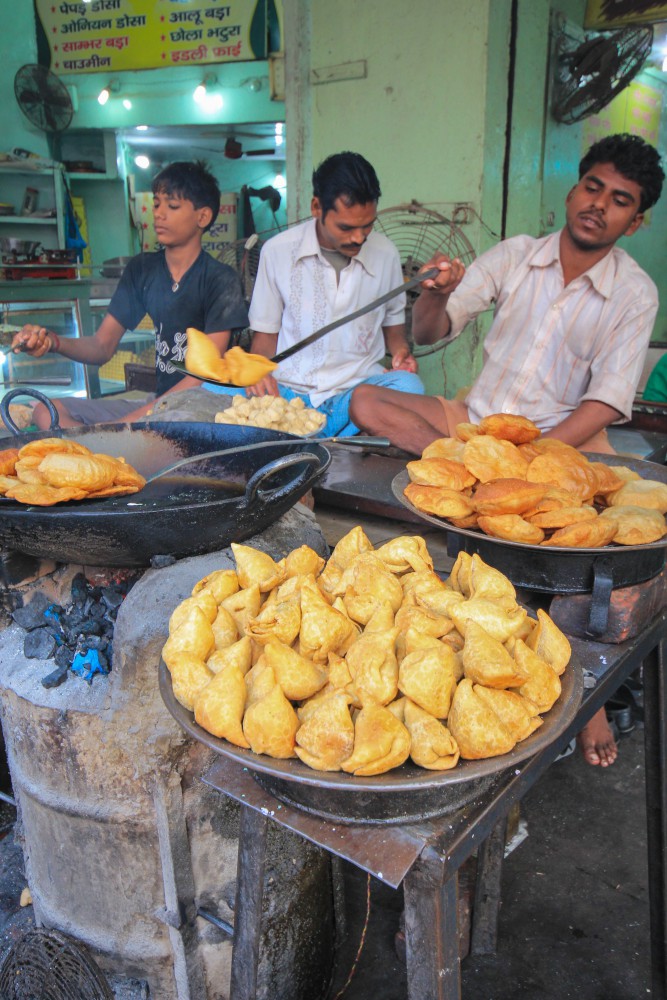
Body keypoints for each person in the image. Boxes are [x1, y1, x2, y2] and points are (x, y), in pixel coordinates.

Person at [350, 132, 665, 767]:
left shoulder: (635, 294)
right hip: (477, 421)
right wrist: (436, 291)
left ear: (637, 220)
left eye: (620, 200)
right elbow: (431, 330)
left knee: (574, 544)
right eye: (593, 187)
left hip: (567, 437)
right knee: (366, 400)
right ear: (574, 190)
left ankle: (587, 695)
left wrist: (533, 461)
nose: (599, 204)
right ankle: (472, 480)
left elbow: (605, 403)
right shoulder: (518, 254)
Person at [11, 160, 249, 428]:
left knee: (152, 431)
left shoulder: (220, 279)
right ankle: (102, 451)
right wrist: (53, 341)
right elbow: (101, 346)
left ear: (202, 217)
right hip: (157, 404)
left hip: (198, 410)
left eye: (172, 206)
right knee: (47, 410)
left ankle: (101, 449)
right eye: (157, 204)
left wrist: (127, 424)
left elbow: (206, 376)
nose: (159, 214)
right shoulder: (142, 269)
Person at [202, 150, 424, 434]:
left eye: (367, 226)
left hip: (355, 396)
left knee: (409, 387)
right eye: (346, 227)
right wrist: (259, 373)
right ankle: (332, 440)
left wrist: (402, 355)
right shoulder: (278, 251)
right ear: (317, 207)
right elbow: (265, 337)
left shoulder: (386, 253)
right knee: (211, 388)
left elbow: (394, 331)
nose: (359, 237)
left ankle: (303, 440)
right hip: (288, 394)